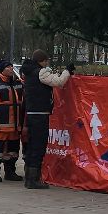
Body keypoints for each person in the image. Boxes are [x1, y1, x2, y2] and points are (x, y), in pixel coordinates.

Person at [19, 48, 71, 189]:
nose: (47, 63)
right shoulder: (41, 72)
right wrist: (67, 71)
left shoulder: (28, 72)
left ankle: (29, 177)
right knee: (39, 146)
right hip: (40, 114)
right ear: (42, 60)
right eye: (46, 60)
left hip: (31, 113)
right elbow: (59, 82)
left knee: (31, 147)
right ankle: (33, 180)